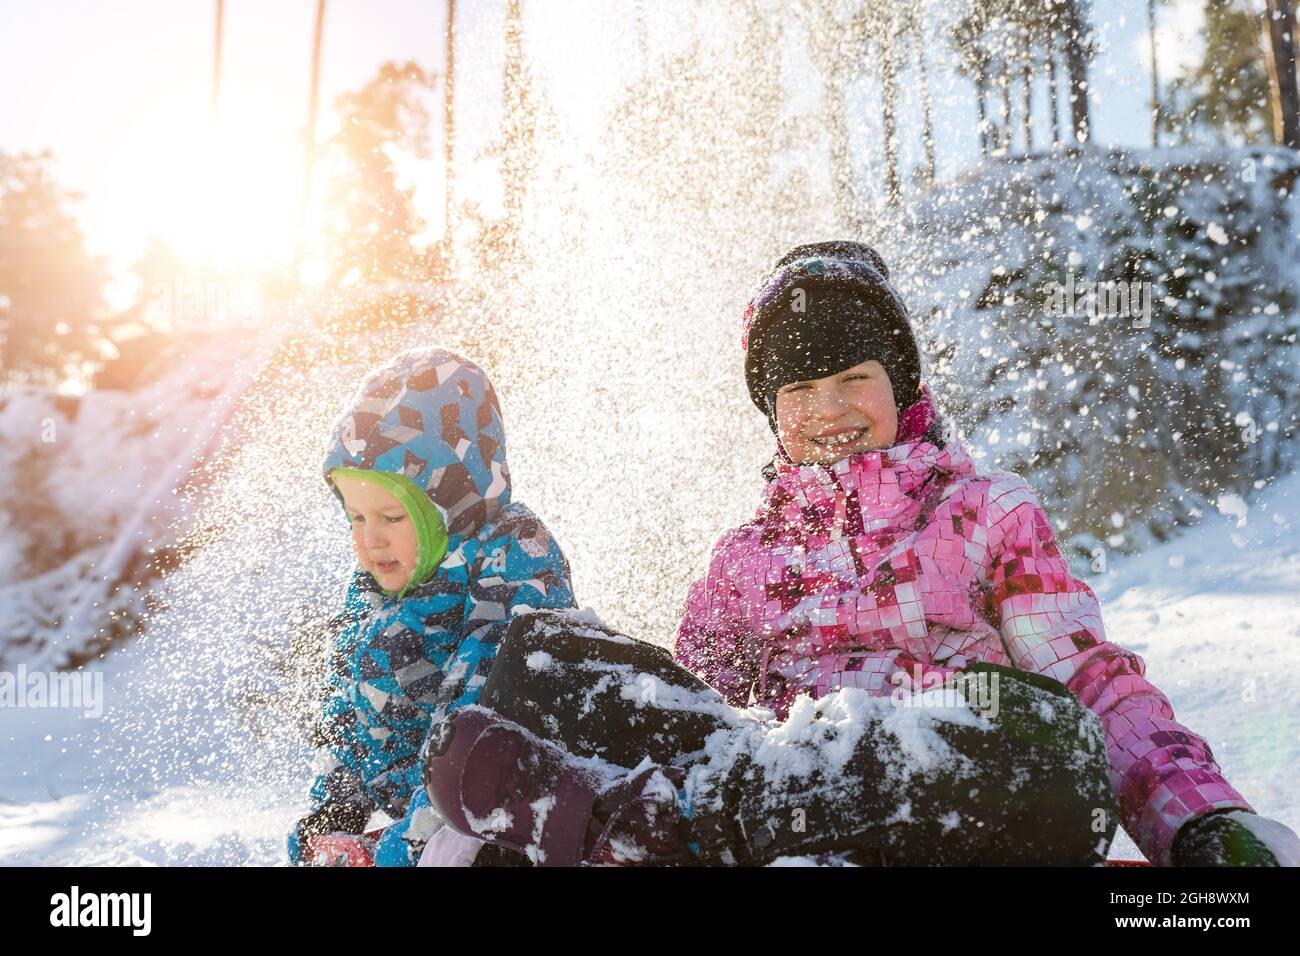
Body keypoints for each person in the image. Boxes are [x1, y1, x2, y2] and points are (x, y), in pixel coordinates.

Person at [420, 242, 1300, 867]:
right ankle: (679, 828)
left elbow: (1091, 683)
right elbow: (686, 710)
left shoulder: (985, 512)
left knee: (1049, 737)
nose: (828, 406)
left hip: (942, 801)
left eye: (853, 378)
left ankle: (677, 835)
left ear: (902, 385)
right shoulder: (744, 560)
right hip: (761, 784)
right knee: (542, 655)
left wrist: (1200, 820)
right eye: (798, 388)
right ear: (772, 410)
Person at [287, 346, 576, 867]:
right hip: (417, 833)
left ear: (451, 499)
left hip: (510, 829)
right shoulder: (377, 583)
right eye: (355, 517)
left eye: (392, 517)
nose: (369, 540)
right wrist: (331, 819)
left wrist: (400, 849)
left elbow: (477, 723)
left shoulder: (511, 557)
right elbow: (352, 710)